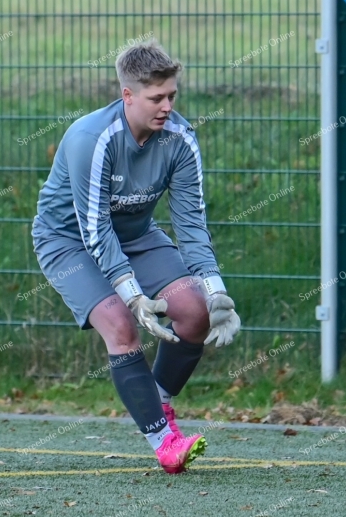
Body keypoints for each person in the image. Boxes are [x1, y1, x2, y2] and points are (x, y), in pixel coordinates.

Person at [31, 39, 241, 473]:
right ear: (127, 95)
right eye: (156, 98)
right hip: (68, 241)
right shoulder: (91, 139)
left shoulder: (181, 139)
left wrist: (216, 291)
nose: (167, 106)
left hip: (136, 235)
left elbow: (191, 223)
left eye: (172, 96)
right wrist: (131, 294)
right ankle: (164, 443)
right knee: (122, 326)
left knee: (195, 311)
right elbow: (94, 229)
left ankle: (158, 404)